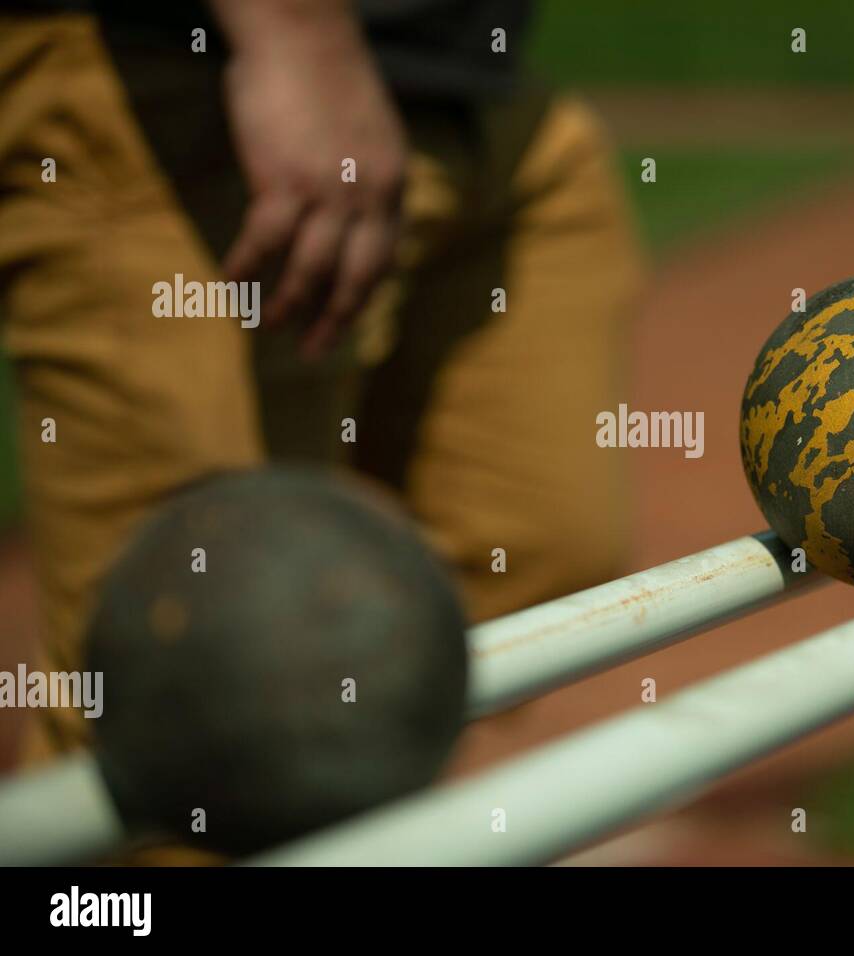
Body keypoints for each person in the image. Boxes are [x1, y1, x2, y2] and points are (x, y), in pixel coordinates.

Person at [0, 0, 644, 764]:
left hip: (475, 86)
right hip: (185, 80)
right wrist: (292, 35)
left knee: (535, 548)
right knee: (191, 681)